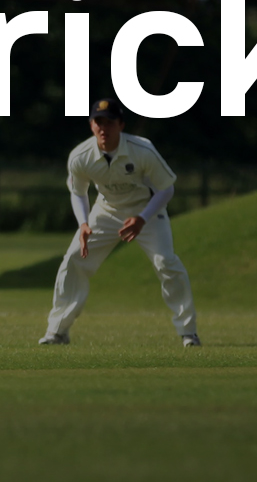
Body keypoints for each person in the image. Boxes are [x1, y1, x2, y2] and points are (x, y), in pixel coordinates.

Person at [41, 99, 200, 347]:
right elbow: (78, 192)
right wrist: (83, 224)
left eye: (110, 122)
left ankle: (188, 332)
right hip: (105, 210)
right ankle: (57, 331)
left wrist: (142, 219)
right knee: (74, 259)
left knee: (166, 262)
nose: (104, 128)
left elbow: (166, 189)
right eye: (98, 122)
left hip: (146, 210)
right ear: (91, 125)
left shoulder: (142, 150)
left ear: (121, 124)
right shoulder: (80, 156)